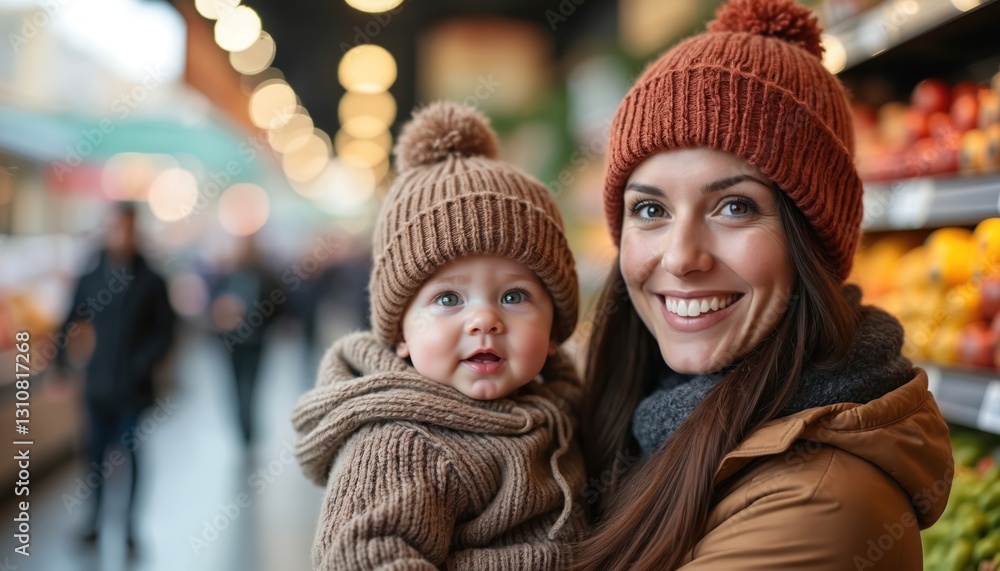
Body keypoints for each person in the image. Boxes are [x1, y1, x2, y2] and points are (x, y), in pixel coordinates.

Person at [574, 1, 953, 569]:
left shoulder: (820, 504)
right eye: (650, 209)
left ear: (811, 241)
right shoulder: (643, 415)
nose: (680, 258)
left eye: (733, 205)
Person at [291, 102, 586, 569]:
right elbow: (364, 558)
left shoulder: (569, 407)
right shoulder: (401, 444)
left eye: (514, 296)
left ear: (554, 330)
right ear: (401, 334)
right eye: (449, 300)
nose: (484, 321)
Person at [53, 202, 176, 554]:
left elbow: (166, 331)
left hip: (134, 390)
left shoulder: (151, 278)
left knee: (132, 456)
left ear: (135, 231)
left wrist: (143, 362)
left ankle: (130, 526)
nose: (120, 235)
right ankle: (93, 521)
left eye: (126, 229)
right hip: (96, 386)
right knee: (94, 457)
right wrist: (62, 367)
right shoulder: (91, 275)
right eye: (114, 228)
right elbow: (68, 320)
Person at [209, 235, 280, 446]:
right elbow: (215, 305)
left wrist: (265, 325)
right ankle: (242, 430)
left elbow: (279, 304)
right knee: (235, 387)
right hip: (232, 343)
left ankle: (249, 432)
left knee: (250, 387)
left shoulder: (266, 275)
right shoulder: (229, 275)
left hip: (256, 343)